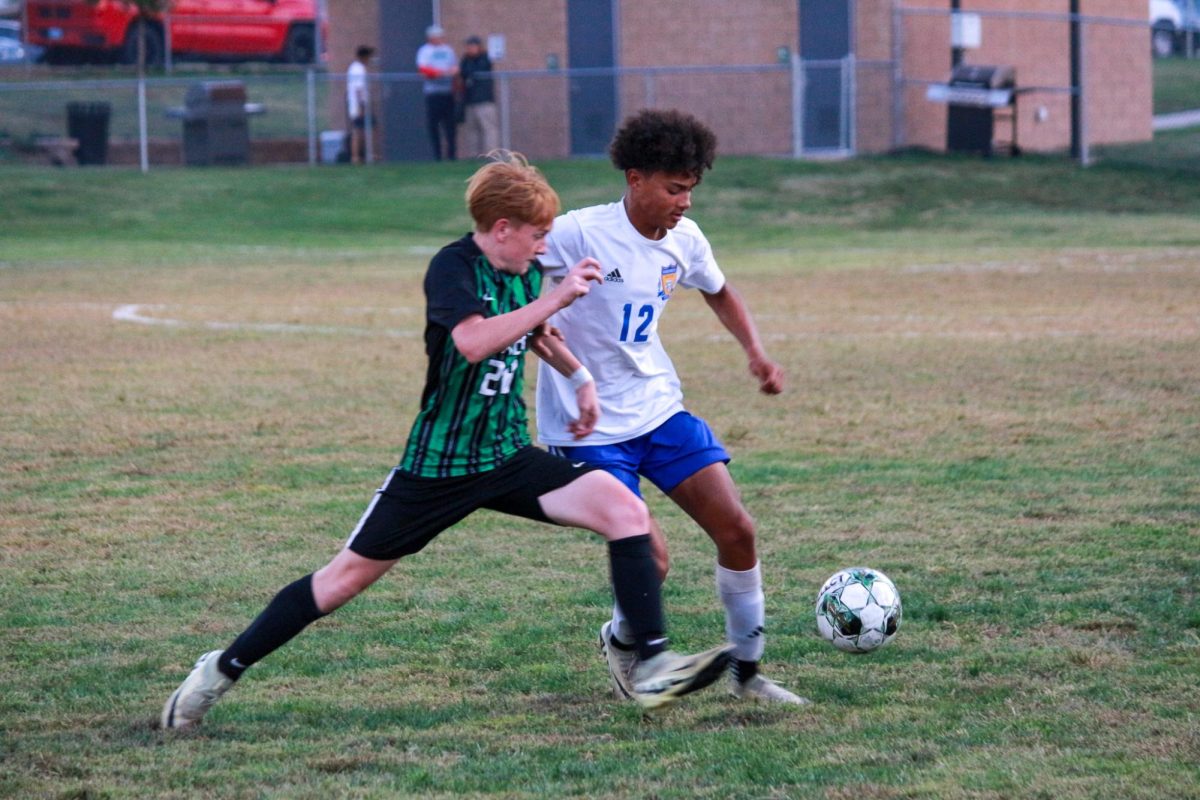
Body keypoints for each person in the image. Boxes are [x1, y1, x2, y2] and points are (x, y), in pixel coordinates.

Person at [160, 152, 735, 732]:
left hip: (507, 455)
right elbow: (474, 341)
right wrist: (555, 299)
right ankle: (221, 669)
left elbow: (536, 331)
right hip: (440, 467)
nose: (544, 247)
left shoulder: (525, 272)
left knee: (624, 509)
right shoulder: (452, 267)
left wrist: (579, 377)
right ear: (502, 228)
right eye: (536, 235)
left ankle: (653, 662)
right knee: (342, 580)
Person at [534, 109, 807, 706]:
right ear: (634, 179)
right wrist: (557, 346)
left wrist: (755, 353)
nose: (684, 201)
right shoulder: (579, 233)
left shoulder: (686, 239)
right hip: (588, 426)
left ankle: (748, 674)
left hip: (658, 408)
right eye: (673, 187)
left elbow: (719, 289)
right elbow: (521, 286)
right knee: (650, 556)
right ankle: (624, 640)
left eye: (691, 188)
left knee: (737, 530)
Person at [416, 24, 458, 161]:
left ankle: (451, 155)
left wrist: (452, 73)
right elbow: (423, 69)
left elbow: (455, 68)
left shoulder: (448, 50)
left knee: (450, 125)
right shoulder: (425, 51)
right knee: (433, 125)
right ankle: (437, 156)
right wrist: (439, 73)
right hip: (433, 93)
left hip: (447, 93)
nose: (440, 39)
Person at [457, 35, 500, 158]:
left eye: (472, 46)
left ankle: (492, 156)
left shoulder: (484, 58)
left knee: (489, 129)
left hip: (484, 101)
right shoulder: (466, 59)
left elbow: (473, 71)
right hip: (470, 102)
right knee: (472, 131)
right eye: (468, 47)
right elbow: (463, 71)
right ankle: (474, 156)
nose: (469, 49)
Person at [346, 45, 374, 165]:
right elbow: (358, 90)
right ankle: (356, 157)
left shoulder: (355, 68)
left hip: (356, 105)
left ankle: (364, 154)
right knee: (357, 131)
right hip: (357, 106)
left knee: (362, 129)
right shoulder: (358, 69)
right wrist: (362, 106)